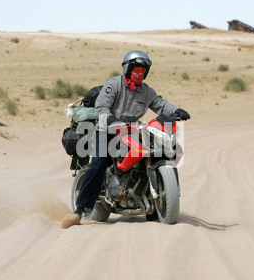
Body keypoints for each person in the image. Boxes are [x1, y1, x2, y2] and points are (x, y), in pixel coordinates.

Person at [61, 50, 190, 229]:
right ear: (128, 69)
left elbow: (160, 104)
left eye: (143, 71)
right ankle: (80, 210)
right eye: (137, 69)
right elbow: (101, 106)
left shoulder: (146, 91)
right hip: (107, 130)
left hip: (132, 130)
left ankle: (154, 204)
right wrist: (111, 119)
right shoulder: (113, 84)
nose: (140, 74)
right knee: (98, 163)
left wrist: (176, 111)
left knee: (156, 153)